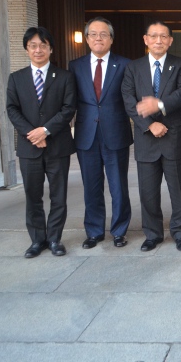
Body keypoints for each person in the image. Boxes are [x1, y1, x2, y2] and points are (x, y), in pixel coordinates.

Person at [122, 21, 181, 252]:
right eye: (154, 36)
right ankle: (152, 234)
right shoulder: (133, 68)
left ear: (170, 41)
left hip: (175, 137)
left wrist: (160, 105)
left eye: (163, 36)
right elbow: (129, 100)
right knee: (148, 192)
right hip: (147, 138)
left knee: (180, 190)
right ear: (145, 39)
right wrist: (150, 124)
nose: (158, 40)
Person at [6, 27, 76, 258]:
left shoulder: (64, 77)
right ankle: (37, 240)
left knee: (58, 195)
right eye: (33, 45)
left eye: (43, 45)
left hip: (57, 146)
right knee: (33, 196)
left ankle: (55, 238)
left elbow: (68, 109)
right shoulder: (16, 78)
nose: (38, 50)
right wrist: (32, 134)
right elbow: (12, 109)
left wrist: (46, 131)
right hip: (29, 148)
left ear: (50, 49)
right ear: (27, 49)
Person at [69, 17, 133, 249]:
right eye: (93, 34)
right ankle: (94, 231)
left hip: (116, 133)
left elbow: (129, 98)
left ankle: (119, 230)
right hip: (86, 135)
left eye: (103, 34)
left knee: (118, 186)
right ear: (86, 39)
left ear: (111, 39)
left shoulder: (125, 65)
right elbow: (70, 101)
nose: (98, 38)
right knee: (92, 187)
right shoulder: (75, 66)